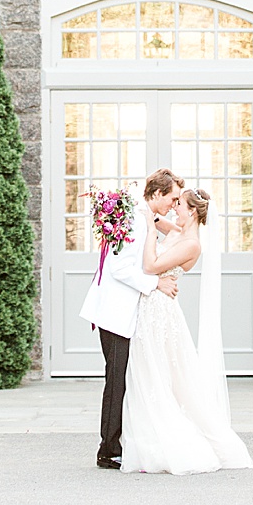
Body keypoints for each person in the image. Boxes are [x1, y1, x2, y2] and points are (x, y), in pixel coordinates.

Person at [119, 183, 253, 474]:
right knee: (151, 375)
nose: (174, 206)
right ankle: (149, 442)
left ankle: (169, 444)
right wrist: (137, 205)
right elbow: (152, 216)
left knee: (162, 376)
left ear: (192, 212)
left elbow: (152, 265)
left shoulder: (191, 243)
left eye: (179, 203)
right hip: (153, 309)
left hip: (161, 314)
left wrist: (151, 230)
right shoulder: (180, 231)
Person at [78, 168, 179, 470]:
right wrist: (156, 283)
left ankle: (115, 443)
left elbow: (164, 225)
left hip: (122, 312)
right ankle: (107, 449)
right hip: (113, 313)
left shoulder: (142, 213)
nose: (174, 205)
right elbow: (119, 269)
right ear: (158, 194)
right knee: (116, 380)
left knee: (122, 378)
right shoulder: (134, 221)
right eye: (172, 199)